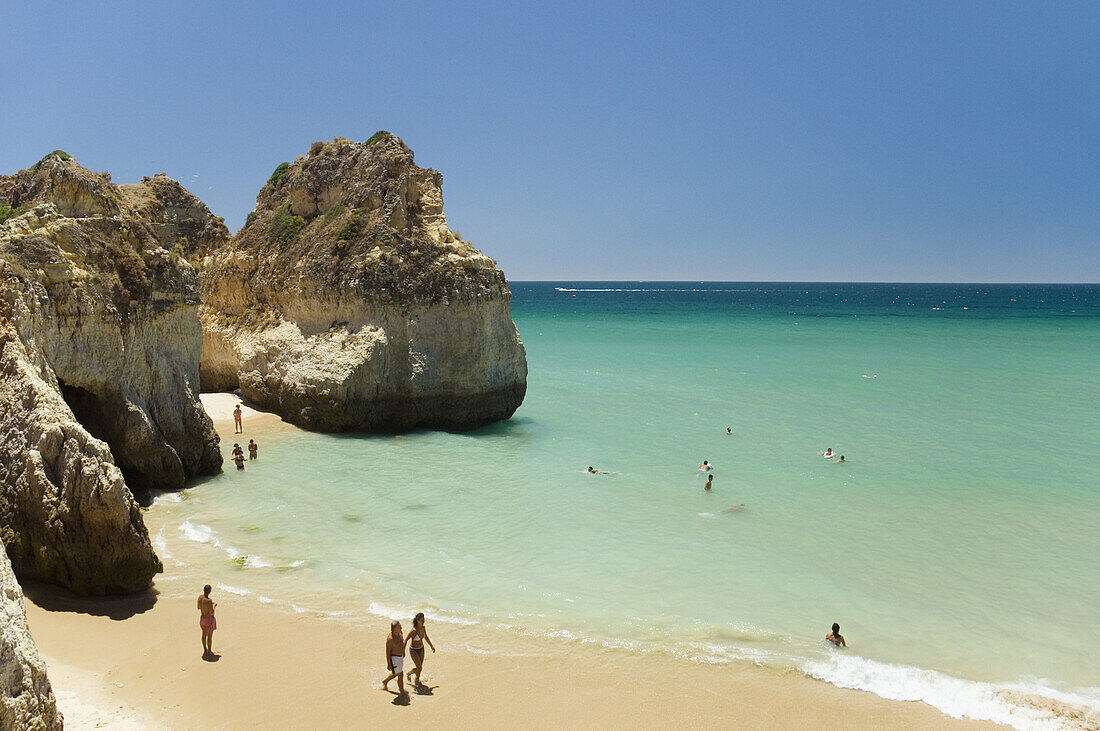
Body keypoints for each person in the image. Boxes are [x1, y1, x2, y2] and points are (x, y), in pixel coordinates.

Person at [405, 612, 436, 686]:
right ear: (417, 620)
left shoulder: (423, 627)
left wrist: (431, 646)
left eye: (424, 620)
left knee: (420, 668)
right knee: (419, 667)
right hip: (413, 650)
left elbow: (426, 637)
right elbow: (406, 639)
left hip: (421, 648)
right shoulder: (414, 630)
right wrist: (403, 651)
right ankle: (409, 673)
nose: (423, 621)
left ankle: (416, 681)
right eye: (422, 620)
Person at [383, 620, 406, 695]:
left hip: (400, 656)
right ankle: (401, 691)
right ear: (394, 629)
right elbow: (388, 652)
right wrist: (389, 664)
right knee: (400, 674)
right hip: (394, 658)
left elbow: (402, 642)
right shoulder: (390, 639)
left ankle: (385, 681)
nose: (401, 627)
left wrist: (403, 651)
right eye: (399, 627)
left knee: (396, 673)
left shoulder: (400, 633)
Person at [197, 584, 217, 657]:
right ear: (210, 591)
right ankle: (209, 651)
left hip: (202, 618)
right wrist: (214, 605)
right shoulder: (209, 601)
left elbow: (199, 607)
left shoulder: (200, 597)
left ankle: (205, 649)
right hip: (209, 620)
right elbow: (212, 613)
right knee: (209, 636)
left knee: (203, 635)